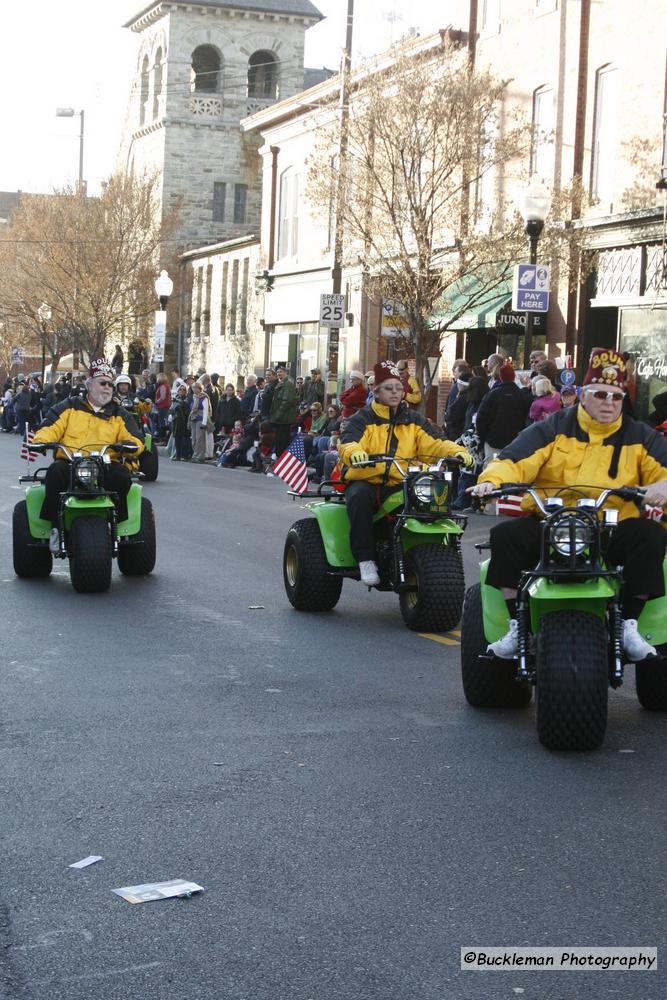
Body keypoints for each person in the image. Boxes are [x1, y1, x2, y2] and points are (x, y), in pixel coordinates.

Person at [471, 348, 667, 662]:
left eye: (616, 397)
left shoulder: (640, 435)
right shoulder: (552, 428)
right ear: (582, 394)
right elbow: (515, 458)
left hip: (611, 527)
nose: (608, 402)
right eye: (600, 394)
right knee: (505, 537)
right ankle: (516, 625)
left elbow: (664, 468)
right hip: (553, 524)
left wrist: (661, 486)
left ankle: (629, 624)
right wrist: (491, 480)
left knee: (651, 537)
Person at [337, 360, 473, 586]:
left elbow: (436, 443)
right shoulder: (363, 418)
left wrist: (458, 452)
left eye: (398, 388)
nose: (394, 393)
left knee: (425, 502)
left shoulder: (414, 419)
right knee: (359, 499)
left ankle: (420, 556)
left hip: (399, 480)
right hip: (366, 479)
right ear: (376, 390)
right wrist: (356, 454)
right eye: (388, 388)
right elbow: (348, 442)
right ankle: (366, 558)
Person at [32, 358, 144, 553]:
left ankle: (119, 526)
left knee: (122, 476)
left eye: (110, 384)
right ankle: (55, 528)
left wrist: (130, 445)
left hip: (104, 466)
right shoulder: (69, 406)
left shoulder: (120, 414)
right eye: (103, 383)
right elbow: (50, 427)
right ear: (89, 384)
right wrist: (41, 440)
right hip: (70, 464)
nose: (107, 388)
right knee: (54, 473)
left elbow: (135, 437)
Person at [475, 362, 530, 465]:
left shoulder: (492, 395)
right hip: (515, 442)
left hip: (493, 442)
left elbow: (481, 418)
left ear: (500, 377)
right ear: (513, 377)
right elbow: (527, 418)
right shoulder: (521, 395)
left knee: (490, 470)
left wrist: (483, 437)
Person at [269, 364, 298, 456]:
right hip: (279, 418)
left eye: (281, 372)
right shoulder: (280, 384)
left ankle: (281, 459)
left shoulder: (288, 385)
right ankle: (278, 457)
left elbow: (287, 401)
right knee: (278, 439)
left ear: (286, 373)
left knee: (282, 439)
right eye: (277, 372)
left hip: (284, 418)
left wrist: (278, 414)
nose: (278, 373)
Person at [188, 381, 211, 462]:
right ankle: (195, 454)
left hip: (200, 419)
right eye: (193, 387)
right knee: (193, 438)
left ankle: (200, 457)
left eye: (195, 387)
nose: (194, 389)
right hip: (193, 419)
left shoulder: (204, 398)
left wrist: (204, 423)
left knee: (200, 439)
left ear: (200, 388)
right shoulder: (194, 397)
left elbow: (205, 411)